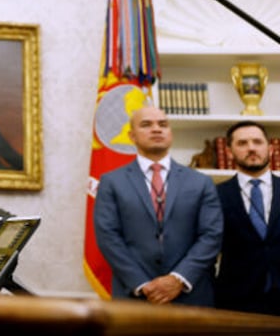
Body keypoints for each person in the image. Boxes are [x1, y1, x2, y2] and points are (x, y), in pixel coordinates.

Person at [93, 103, 222, 306]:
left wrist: (177, 279)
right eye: (146, 124)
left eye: (163, 124)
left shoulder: (201, 182)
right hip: (135, 297)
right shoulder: (111, 182)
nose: (156, 129)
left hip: (191, 296)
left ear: (170, 132)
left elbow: (211, 235)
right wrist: (143, 284)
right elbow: (108, 237)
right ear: (131, 135)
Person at [215, 120, 280, 315]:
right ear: (228, 151)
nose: (251, 148)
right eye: (242, 143)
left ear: (269, 148)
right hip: (235, 302)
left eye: (257, 142)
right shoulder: (215, 195)